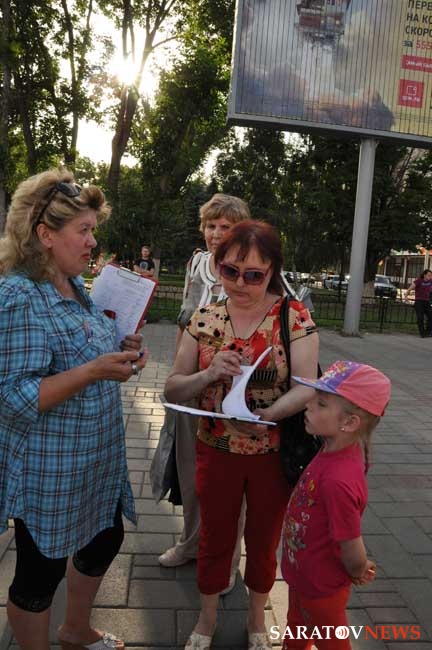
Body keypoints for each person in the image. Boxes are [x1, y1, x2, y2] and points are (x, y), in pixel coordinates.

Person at [0, 169, 147, 650]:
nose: (92, 241)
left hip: (95, 459)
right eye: (83, 230)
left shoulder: (74, 284)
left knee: (105, 539)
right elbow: (14, 396)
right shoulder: (20, 296)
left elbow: (85, 350)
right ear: (45, 235)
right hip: (51, 470)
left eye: (92, 229)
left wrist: (122, 351)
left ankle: (76, 630)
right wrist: (93, 371)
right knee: (39, 575)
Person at [164, 220, 319, 650]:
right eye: (230, 270)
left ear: (272, 272)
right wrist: (207, 374)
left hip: (271, 452)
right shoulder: (205, 318)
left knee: (264, 541)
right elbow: (172, 388)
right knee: (214, 537)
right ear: (217, 266)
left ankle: (256, 620)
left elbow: (308, 386)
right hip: (216, 449)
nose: (239, 283)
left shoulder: (293, 316)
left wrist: (271, 414)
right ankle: (207, 620)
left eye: (254, 275)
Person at [158, 194, 250, 595]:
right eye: (211, 225)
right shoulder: (197, 265)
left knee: (229, 480)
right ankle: (191, 542)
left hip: (231, 389)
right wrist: (178, 376)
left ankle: (227, 559)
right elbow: (184, 320)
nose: (216, 233)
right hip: (192, 385)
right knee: (190, 471)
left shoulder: (250, 270)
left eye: (225, 226)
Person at [280, 360, 391, 650]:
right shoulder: (331, 449)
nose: (308, 406)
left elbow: (350, 542)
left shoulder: (338, 480)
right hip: (303, 575)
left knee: (331, 642)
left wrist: (358, 568)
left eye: (321, 404)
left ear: (350, 423)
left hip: (321, 587)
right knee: (296, 630)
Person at [406, 269, 432, 338]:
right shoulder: (419, 281)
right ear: (424, 275)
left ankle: (428, 332)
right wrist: (406, 297)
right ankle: (422, 333)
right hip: (419, 302)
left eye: (431, 275)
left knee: (431, 316)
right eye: (429, 275)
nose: (430, 277)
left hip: (427, 302)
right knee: (420, 318)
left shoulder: (431, 281)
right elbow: (410, 289)